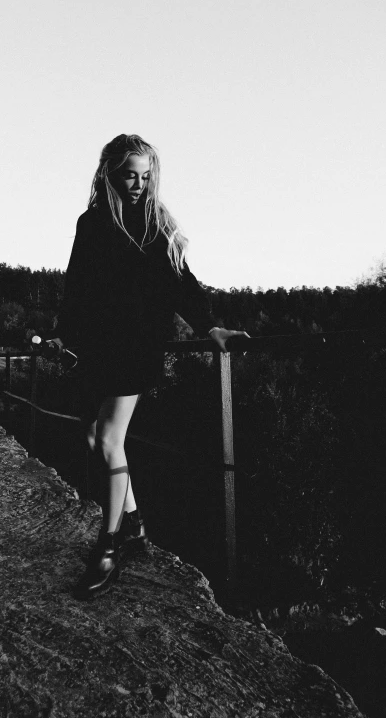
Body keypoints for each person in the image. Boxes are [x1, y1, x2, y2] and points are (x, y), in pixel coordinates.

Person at [49, 134, 249, 599]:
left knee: (109, 438)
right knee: (93, 437)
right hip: (99, 346)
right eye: (129, 175)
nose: (138, 184)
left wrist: (211, 327)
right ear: (110, 173)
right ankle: (135, 524)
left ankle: (110, 543)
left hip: (137, 347)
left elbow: (183, 282)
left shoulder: (154, 224)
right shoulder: (92, 223)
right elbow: (76, 286)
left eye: (145, 176)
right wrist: (63, 330)